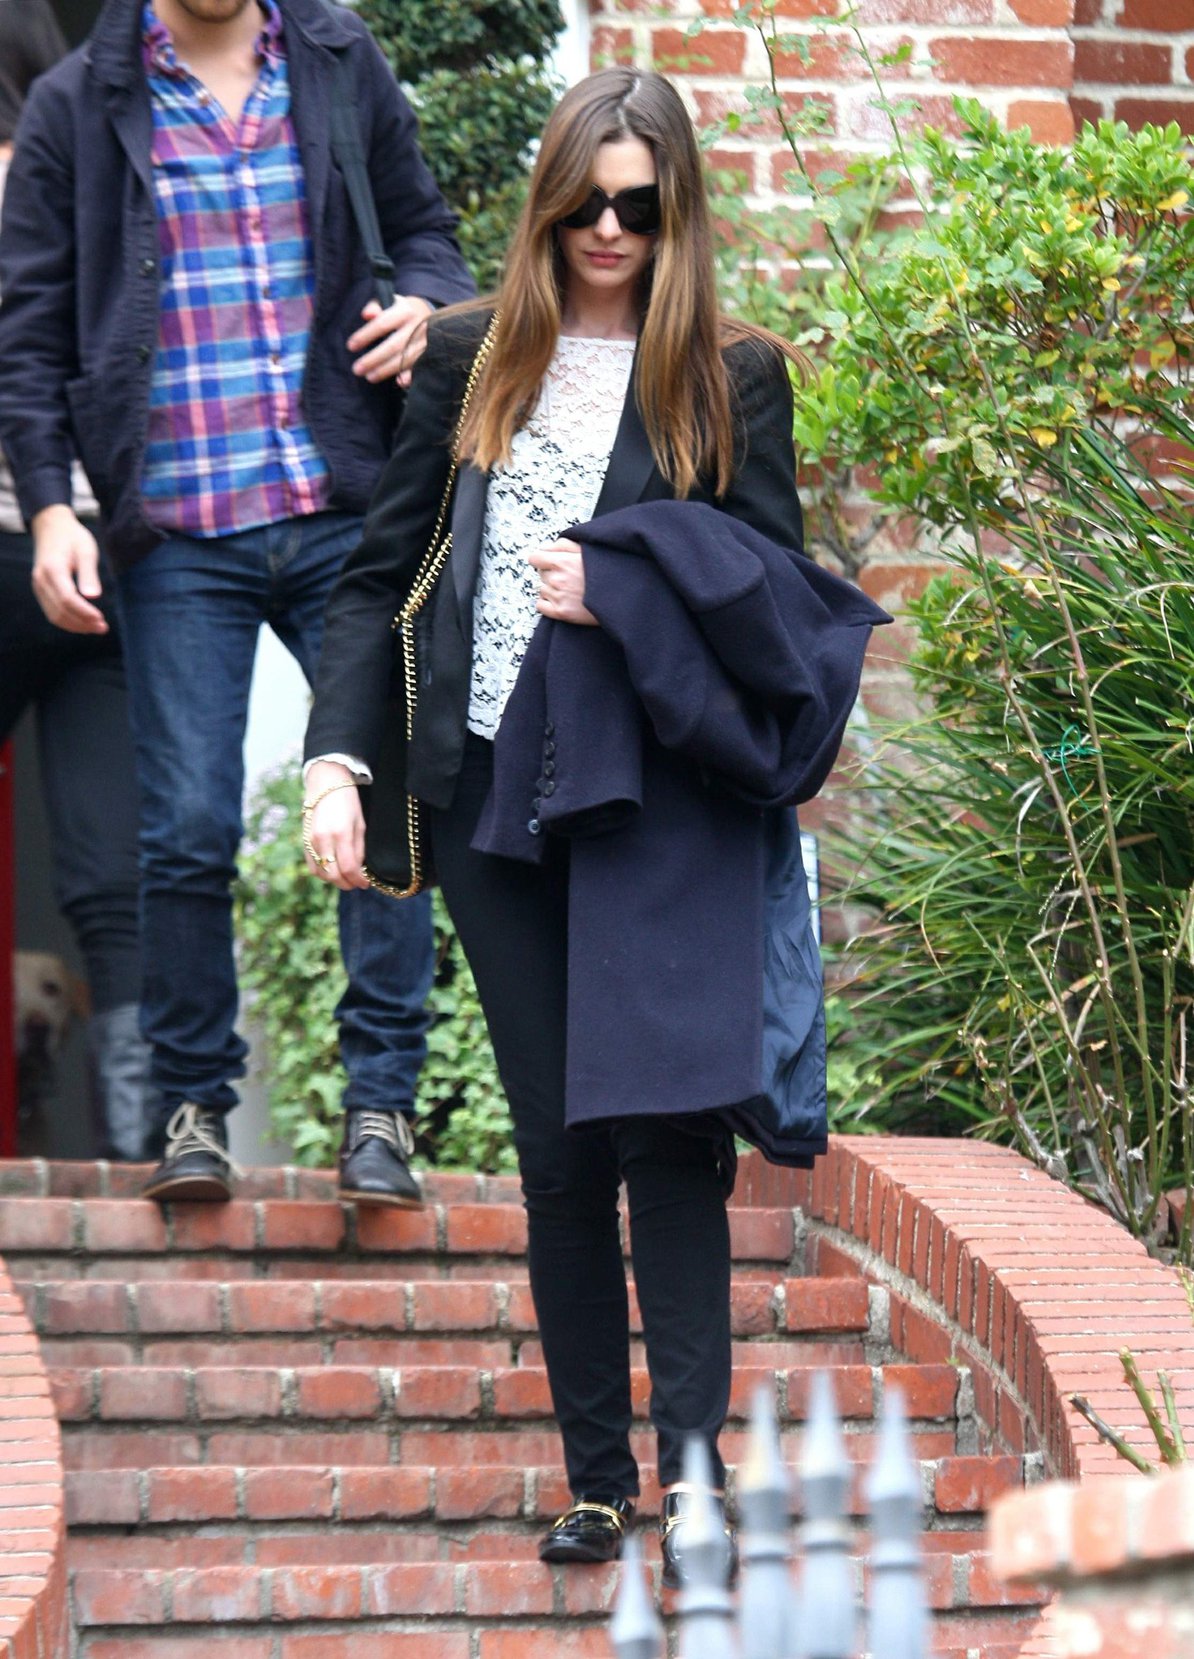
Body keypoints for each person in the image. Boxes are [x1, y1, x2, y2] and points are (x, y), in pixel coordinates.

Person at [303, 68, 883, 1585]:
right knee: (561, 1152)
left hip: (654, 806)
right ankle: (596, 1481)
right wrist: (336, 763)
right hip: (489, 797)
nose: (609, 230)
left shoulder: (728, 378)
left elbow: (771, 604)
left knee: (667, 1136)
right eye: (583, 203)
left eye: (638, 205)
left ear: (675, 209)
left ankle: (694, 1481)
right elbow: (378, 575)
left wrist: (620, 588)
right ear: (547, 204)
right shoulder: (469, 357)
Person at [0, 0, 475, 1204]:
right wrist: (52, 507)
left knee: (380, 798)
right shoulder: (75, 104)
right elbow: (30, 332)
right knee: (186, 830)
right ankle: (193, 1112)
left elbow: (426, 233)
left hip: (343, 509)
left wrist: (428, 305)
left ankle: (380, 1108)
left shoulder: (336, 56)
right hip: (174, 528)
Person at [0, 0, 151, 1163]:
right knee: (114, 871)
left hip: (79, 540)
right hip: (100, 535)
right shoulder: (97, 167)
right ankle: (143, 1159)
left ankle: (143, 1158)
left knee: (114, 871)